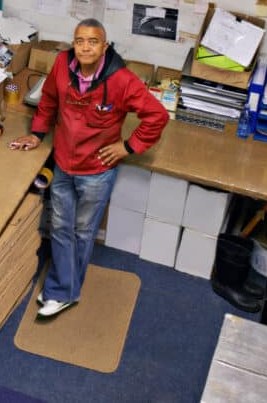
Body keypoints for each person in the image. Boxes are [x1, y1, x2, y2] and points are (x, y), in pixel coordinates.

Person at [10, 18, 169, 318]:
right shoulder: (61, 64)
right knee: (59, 226)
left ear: (104, 46)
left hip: (96, 173)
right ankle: (64, 289)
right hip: (62, 164)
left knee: (82, 231)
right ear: (73, 44)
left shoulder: (121, 80)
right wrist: (37, 134)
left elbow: (157, 116)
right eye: (80, 40)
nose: (85, 46)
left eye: (93, 41)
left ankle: (63, 291)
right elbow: (48, 100)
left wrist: (127, 147)